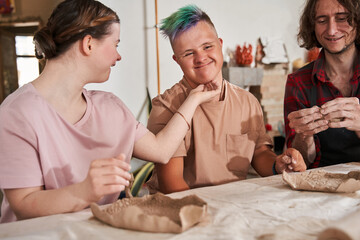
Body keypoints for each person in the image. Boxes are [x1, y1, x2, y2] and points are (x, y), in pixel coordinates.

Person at [0, 0, 221, 223]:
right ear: (88, 44)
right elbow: (24, 206)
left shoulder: (110, 107)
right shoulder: (16, 114)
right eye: (115, 44)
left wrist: (195, 98)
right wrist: (84, 191)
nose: (118, 56)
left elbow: (161, 150)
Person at [146, 5, 306, 194]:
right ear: (177, 60)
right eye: (189, 53)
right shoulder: (166, 107)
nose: (201, 58)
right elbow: (172, 184)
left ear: (220, 44)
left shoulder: (248, 102)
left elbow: (259, 153)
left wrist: (278, 165)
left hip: (232, 204)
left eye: (207, 46)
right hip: (183, 210)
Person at [284, 0, 360, 168]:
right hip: (321, 188)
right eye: (322, 20)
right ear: (312, 26)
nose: (332, 30)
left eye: (342, 18)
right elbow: (299, 162)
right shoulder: (298, 82)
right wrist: (303, 136)